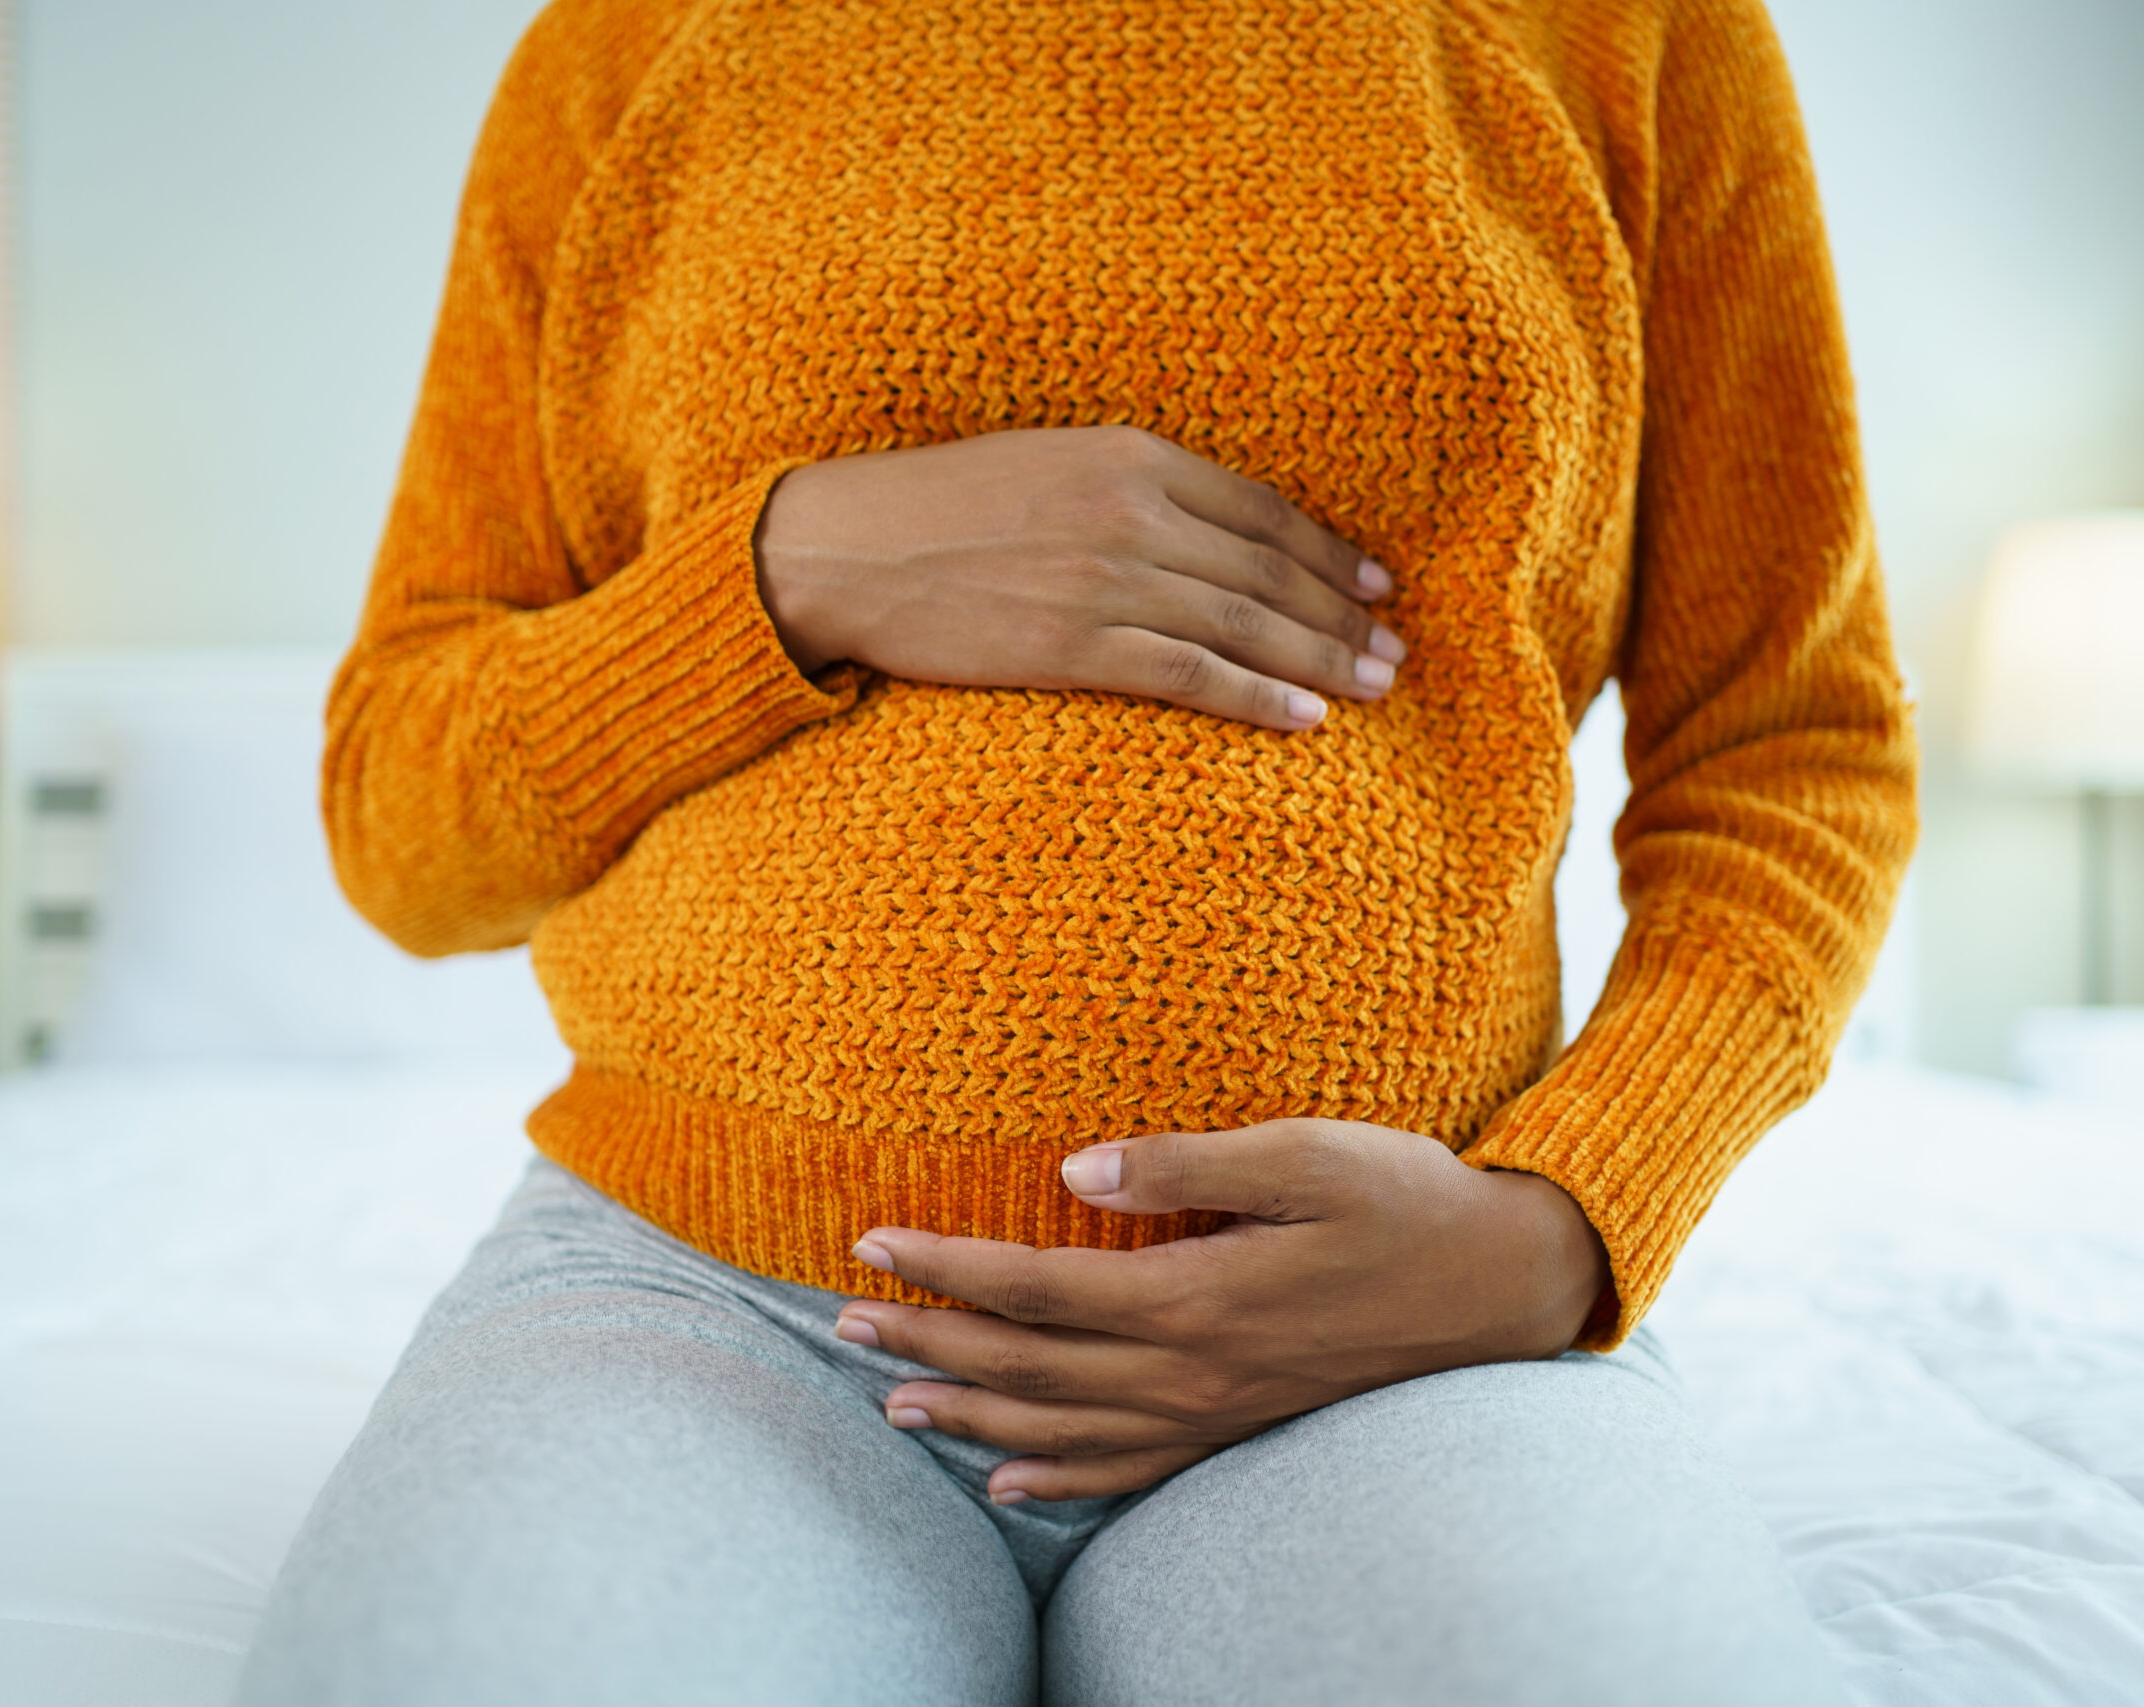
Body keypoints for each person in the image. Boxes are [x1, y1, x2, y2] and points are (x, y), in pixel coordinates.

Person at [238, 0, 1916, 1700]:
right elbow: (399, 818)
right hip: (711, 1306)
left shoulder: (1632, 34)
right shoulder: (623, 48)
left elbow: (1798, 749)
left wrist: (1563, 1225)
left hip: (1388, 1339)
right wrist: (781, 574)